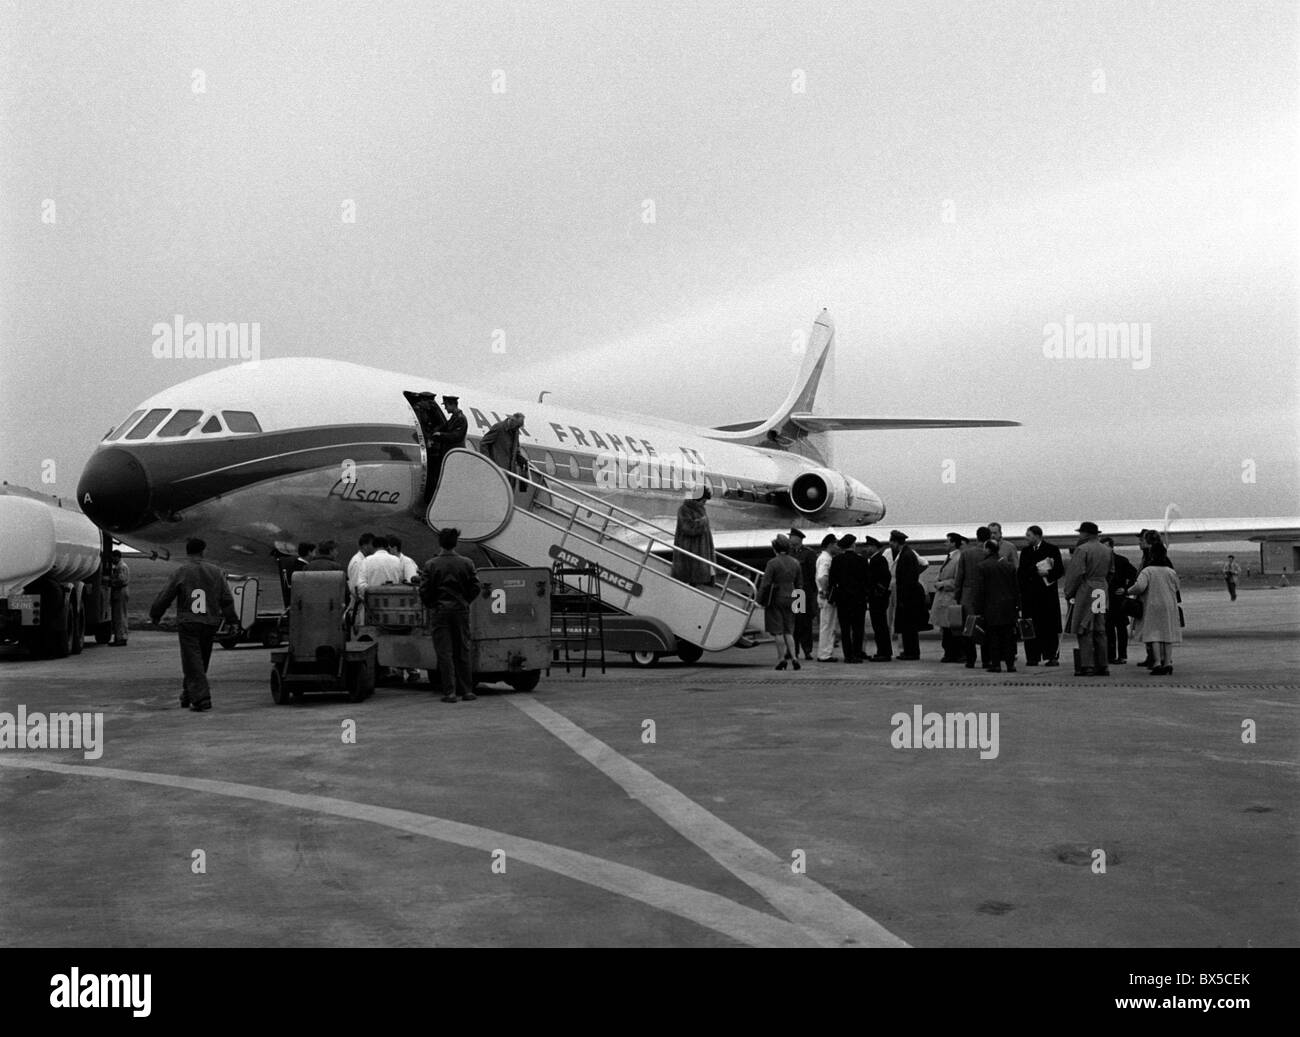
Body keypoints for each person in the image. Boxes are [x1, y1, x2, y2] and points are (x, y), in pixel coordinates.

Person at [148, 537, 238, 711]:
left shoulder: (182, 571)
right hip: (210, 621)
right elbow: (226, 599)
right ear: (202, 552)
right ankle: (188, 693)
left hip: (189, 622)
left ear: (187, 552)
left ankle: (201, 698)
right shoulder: (216, 571)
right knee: (200, 660)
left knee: (192, 660)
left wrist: (156, 614)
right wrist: (232, 621)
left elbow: (166, 595)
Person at [421, 527, 482, 702]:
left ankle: (450, 692)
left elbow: (424, 591)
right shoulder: (467, 563)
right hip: (461, 610)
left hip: (440, 612)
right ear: (456, 543)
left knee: (444, 652)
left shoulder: (431, 564)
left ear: (440, 542)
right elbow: (475, 587)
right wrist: (465, 601)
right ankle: (467, 690)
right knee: (462, 650)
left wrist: (433, 605)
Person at [1062, 521, 1114, 676]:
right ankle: (1103, 664)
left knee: (1084, 627)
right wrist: (1103, 584)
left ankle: (1087, 665)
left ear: (1086, 534)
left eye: (1081, 532)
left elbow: (1077, 573)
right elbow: (1111, 572)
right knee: (1100, 627)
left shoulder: (1082, 549)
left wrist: (1069, 592)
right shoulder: (1107, 550)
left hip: (1087, 589)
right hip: (1101, 589)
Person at [1122, 545, 1181, 675]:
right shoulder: (1171, 571)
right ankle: (1168, 663)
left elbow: (1140, 586)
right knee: (1167, 634)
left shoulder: (1148, 571)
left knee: (1154, 634)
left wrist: (1127, 591)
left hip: (1152, 605)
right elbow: (1177, 587)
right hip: (1169, 605)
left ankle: (1157, 663)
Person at [1017, 525, 1065, 666]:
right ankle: (1032, 657)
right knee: (1030, 627)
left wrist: (1048, 573)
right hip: (1030, 596)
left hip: (1046, 596)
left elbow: (1060, 570)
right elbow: (1021, 573)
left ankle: (1051, 656)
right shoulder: (1025, 552)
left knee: (1049, 628)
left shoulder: (1052, 549)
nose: (1026, 538)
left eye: (1029, 535)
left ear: (1037, 536)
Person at [758, 534, 804, 670]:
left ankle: (781, 658)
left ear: (775, 548)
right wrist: (800, 605)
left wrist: (760, 600)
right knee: (789, 631)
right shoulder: (796, 563)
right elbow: (800, 584)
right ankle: (794, 658)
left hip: (775, 598)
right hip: (792, 597)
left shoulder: (772, 563)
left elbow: (765, 584)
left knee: (778, 631)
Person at [974, 539, 1020, 672]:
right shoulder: (1008, 565)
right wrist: (1017, 606)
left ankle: (996, 664)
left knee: (993, 637)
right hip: (1008, 607)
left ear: (988, 549)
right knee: (1008, 637)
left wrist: (978, 608)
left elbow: (980, 590)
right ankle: (1010, 664)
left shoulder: (982, 566)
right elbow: (1015, 588)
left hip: (991, 607)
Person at [953, 527, 990, 669]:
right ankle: (986, 660)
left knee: (968, 629)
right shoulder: (990, 553)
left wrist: (958, 596)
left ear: (977, 537)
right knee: (985, 627)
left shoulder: (966, 553)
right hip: (985, 596)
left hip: (967, 596)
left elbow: (959, 577)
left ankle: (970, 659)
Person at [828, 534, 869, 663]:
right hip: (858, 599)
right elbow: (867, 580)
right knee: (858, 628)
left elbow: (832, 580)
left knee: (845, 628)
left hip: (842, 599)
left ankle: (848, 655)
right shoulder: (861, 560)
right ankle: (857, 653)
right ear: (853, 545)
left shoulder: (836, 560)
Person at [387, 535, 422, 683]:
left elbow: (412, 583)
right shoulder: (393, 562)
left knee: (408, 638)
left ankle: (412, 670)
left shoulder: (406, 562)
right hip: (397, 608)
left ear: (394, 548)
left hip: (407, 607)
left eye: (388, 548)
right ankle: (399, 670)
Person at [890, 531, 928, 659]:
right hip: (910, 595)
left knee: (908, 626)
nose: (891, 545)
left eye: (892, 542)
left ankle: (911, 652)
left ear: (896, 542)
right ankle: (910, 651)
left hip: (908, 596)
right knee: (909, 626)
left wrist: (903, 597)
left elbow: (907, 578)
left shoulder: (905, 555)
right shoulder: (908, 553)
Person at [929, 533, 965, 662]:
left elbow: (957, 580)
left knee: (951, 628)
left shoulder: (957, 558)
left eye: (947, 541)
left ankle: (953, 653)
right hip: (945, 597)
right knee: (946, 628)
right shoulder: (950, 557)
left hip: (950, 597)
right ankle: (950, 653)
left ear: (954, 543)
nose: (945, 543)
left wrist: (941, 584)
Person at [1101, 537, 1137, 665]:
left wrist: (1126, 589)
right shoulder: (1100, 562)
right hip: (1105, 598)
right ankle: (1110, 656)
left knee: (1121, 628)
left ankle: (1122, 655)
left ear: (1111, 547)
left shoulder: (1121, 561)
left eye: (1106, 546)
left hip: (1118, 599)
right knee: (1108, 628)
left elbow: (1134, 575)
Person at [671, 487, 716, 586]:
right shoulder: (684, 509)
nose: (704, 503)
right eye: (703, 501)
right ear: (697, 500)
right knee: (689, 576)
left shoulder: (700, 509)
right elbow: (687, 528)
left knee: (695, 577)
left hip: (698, 550)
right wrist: (702, 522)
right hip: (689, 550)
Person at [788, 529, 819, 661]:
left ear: (799, 539)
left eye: (792, 537)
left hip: (802, 592)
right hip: (791, 592)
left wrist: (812, 592)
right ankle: (792, 650)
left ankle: (807, 650)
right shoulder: (789, 554)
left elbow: (813, 574)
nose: (790, 539)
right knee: (792, 622)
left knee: (804, 622)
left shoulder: (808, 554)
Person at [864, 537, 893, 661]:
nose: (867, 549)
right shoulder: (875, 559)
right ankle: (883, 651)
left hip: (878, 599)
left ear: (875, 547)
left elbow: (884, 578)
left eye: (869, 546)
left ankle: (884, 652)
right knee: (879, 625)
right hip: (877, 598)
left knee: (880, 626)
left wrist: (877, 593)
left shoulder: (879, 560)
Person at [815, 534, 841, 661]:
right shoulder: (826, 559)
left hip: (824, 596)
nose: (837, 546)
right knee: (827, 625)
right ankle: (824, 654)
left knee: (827, 624)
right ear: (830, 544)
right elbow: (822, 576)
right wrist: (825, 590)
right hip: (826, 596)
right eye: (836, 544)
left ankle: (825, 652)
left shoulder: (824, 557)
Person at [479, 413, 529, 478]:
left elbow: (515, 449)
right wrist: (487, 461)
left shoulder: (515, 432)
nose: (517, 429)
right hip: (496, 469)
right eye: (517, 426)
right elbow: (483, 443)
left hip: (507, 471)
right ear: (512, 421)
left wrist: (520, 459)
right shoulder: (499, 428)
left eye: (519, 427)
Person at [108, 549, 130, 646]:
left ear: (117, 557)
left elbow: (121, 580)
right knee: (120, 615)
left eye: (113, 557)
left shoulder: (121, 567)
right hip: (121, 592)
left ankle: (121, 638)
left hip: (120, 591)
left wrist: (111, 581)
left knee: (119, 616)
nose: (112, 559)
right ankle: (120, 637)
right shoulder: (120, 566)